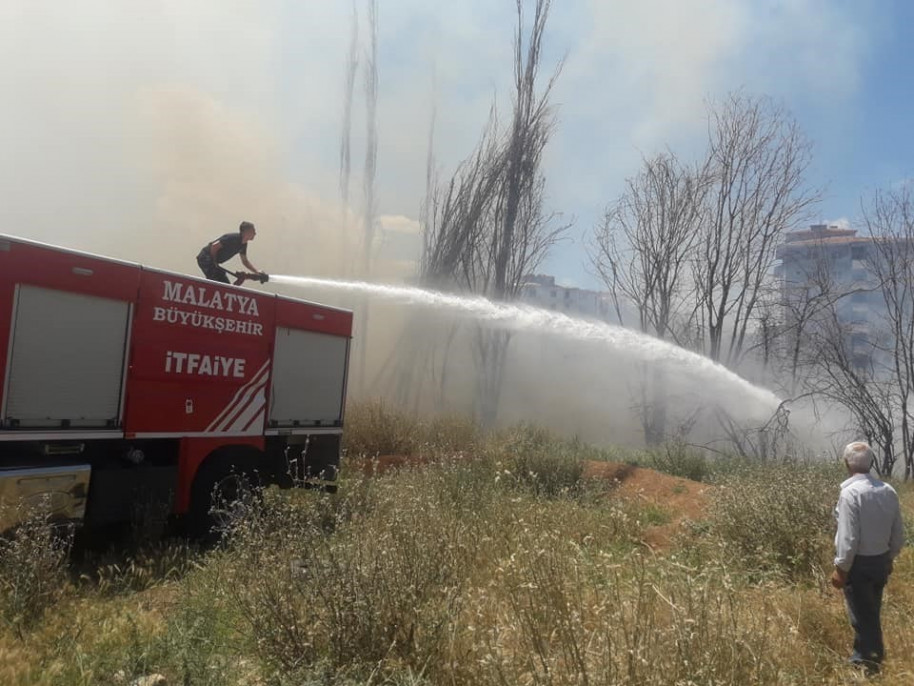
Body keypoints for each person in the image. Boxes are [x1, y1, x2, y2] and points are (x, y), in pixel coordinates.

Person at [831, 441, 904, 675]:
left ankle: (867, 665)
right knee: (870, 611)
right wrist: (889, 558)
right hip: (880, 561)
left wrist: (841, 567)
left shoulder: (850, 493)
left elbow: (848, 537)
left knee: (862, 617)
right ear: (871, 463)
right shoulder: (888, 490)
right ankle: (866, 658)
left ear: (846, 463)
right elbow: (898, 534)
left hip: (859, 565)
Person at [196, 221, 264, 284]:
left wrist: (256, 272)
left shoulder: (243, 244)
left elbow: (245, 261)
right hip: (205, 258)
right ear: (246, 232)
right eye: (253, 231)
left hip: (213, 263)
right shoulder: (232, 238)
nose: (255, 233)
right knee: (215, 277)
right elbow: (214, 246)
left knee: (224, 282)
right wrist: (214, 262)